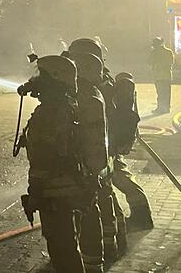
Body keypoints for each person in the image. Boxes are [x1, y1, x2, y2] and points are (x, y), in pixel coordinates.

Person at [17, 55, 91, 272]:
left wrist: (35, 195)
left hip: (55, 193)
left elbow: (45, 160)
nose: (36, 80)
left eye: (42, 75)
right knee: (68, 242)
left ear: (55, 79)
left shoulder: (50, 113)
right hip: (67, 189)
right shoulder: (64, 105)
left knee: (62, 248)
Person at [68, 38, 123, 264]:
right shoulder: (102, 80)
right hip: (102, 151)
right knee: (105, 197)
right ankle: (110, 245)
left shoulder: (92, 87)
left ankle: (98, 255)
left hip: (94, 154)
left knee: (94, 203)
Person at [70, 52, 110, 272]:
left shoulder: (87, 97)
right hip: (91, 166)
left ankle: (93, 262)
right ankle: (95, 259)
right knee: (91, 209)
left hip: (86, 167)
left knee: (87, 211)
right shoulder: (91, 93)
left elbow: (91, 138)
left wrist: (91, 171)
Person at [111, 72, 153, 231]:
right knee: (119, 175)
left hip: (112, 141)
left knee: (118, 177)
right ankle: (140, 216)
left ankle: (140, 217)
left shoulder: (118, 89)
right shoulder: (123, 90)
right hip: (115, 139)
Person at [148, 37, 174, 114]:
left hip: (158, 76)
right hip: (167, 75)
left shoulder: (154, 53)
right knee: (167, 92)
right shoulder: (169, 52)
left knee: (160, 93)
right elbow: (171, 63)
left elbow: (149, 62)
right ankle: (166, 108)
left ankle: (160, 108)